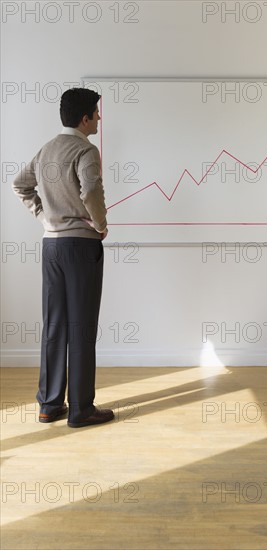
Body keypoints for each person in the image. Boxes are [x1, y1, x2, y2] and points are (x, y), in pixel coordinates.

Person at [12, 87, 114, 428]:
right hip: (81, 247)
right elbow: (91, 190)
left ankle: (50, 404)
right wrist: (100, 225)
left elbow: (19, 184)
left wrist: (44, 218)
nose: (99, 118)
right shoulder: (86, 150)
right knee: (81, 326)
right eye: (96, 113)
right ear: (85, 118)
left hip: (51, 247)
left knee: (54, 324)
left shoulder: (47, 149)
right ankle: (81, 409)